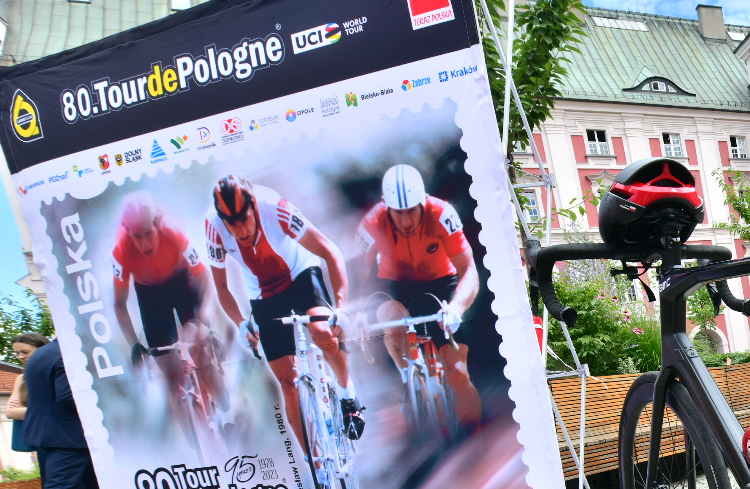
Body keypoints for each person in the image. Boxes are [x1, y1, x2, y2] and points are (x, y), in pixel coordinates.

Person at [205, 175, 365, 465]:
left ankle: (347, 394)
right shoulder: (214, 230)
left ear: (253, 206)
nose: (240, 228)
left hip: (300, 274)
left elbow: (330, 251)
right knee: (286, 382)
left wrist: (340, 307)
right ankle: (315, 465)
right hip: (264, 293)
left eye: (244, 218)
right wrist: (241, 322)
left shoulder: (275, 208)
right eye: (232, 222)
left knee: (322, 333)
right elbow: (221, 288)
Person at [356, 164, 482, 429]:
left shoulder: (442, 214)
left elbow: (469, 269)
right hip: (396, 285)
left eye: (412, 210)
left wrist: (457, 307)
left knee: (458, 372)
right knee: (390, 317)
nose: (405, 221)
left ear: (423, 202)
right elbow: (357, 276)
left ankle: (474, 432)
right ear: (384, 206)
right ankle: (408, 376)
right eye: (397, 213)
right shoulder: (371, 222)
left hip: (441, 283)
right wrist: (356, 313)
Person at [0, 337, 116, 489]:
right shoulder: (66, 352)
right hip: (68, 435)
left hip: (53, 436)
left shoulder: (41, 356)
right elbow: (68, 396)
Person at [111, 194, 221, 418]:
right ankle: (192, 430)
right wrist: (134, 344)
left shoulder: (175, 234)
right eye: (137, 236)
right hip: (150, 295)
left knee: (198, 343)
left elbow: (203, 278)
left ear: (158, 224)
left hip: (181, 282)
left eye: (149, 233)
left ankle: (220, 406)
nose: (144, 243)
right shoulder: (121, 252)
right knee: (168, 372)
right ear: (128, 233)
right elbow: (120, 304)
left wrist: (202, 317)